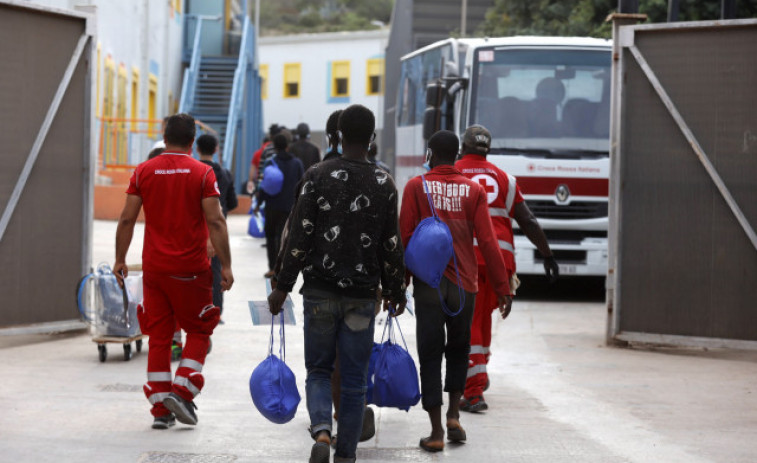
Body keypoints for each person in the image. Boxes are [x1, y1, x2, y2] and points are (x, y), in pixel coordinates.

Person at [268, 104, 406, 463]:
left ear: (338, 136)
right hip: (362, 297)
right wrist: (395, 291)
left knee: (318, 369)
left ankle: (322, 434)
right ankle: (346, 452)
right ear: (372, 139)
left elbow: (300, 235)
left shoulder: (316, 176)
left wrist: (282, 285)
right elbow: (391, 244)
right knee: (356, 376)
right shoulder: (384, 184)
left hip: (319, 293)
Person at [114, 113, 234, 429]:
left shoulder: (143, 171)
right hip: (191, 271)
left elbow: (126, 219)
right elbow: (217, 221)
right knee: (199, 329)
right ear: (192, 142)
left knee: (159, 337)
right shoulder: (203, 173)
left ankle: (160, 412)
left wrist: (120, 259)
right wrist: (227, 264)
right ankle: (182, 391)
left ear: (164, 138)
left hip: (155, 270)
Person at [399, 130, 512, 453]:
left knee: (430, 353)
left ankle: (435, 431)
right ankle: (453, 415)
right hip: (465, 285)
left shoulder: (416, 187)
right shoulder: (473, 190)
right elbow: (488, 242)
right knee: (459, 350)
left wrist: (399, 285)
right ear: (456, 154)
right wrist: (502, 288)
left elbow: (405, 238)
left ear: (431, 154)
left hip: (429, 285)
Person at [455, 124, 559, 413]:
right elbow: (528, 221)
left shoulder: (453, 175)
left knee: (470, 322)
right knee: (484, 317)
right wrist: (547, 254)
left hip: (466, 259)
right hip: (499, 262)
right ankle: (478, 372)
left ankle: (474, 391)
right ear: (488, 150)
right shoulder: (504, 179)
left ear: (463, 147)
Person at [197, 133, 238, 321]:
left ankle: (195, 307)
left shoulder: (194, 171)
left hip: (196, 229)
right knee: (216, 270)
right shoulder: (224, 174)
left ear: (197, 149)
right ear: (216, 150)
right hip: (217, 230)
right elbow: (233, 202)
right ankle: (215, 310)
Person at [258, 130, 304, 278]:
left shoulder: (270, 162)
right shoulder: (297, 163)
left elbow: (264, 185)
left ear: (275, 147)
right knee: (285, 237)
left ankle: (272, 267)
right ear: (287, 146)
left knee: (271, 236)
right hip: (289, 206)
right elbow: (302, 184)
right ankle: (282, 267)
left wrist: (258, 203)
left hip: (271, 205)